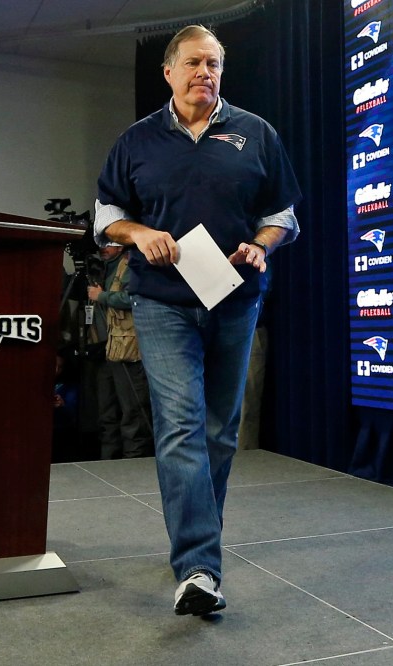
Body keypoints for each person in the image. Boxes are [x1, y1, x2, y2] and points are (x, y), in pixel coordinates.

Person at [94, 24, 301, 616]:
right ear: (168, 72)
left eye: (212, 64)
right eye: (192, 63)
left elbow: (283, 211)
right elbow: (106, 210)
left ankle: (194, 543)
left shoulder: (255, 133)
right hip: (161, 301)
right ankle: (199, 567)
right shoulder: (135, 141)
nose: (203, 73)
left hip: (235, 298)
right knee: (182, 427)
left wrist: (263, 244)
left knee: (217, 432)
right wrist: (138, 232)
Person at [87, 244, 154, 459]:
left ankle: (132, 467)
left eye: (110, 242)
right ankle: (108, 464)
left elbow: (137, 298)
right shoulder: (102, 267)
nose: (103, 247)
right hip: (106, 349)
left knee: (132, 414)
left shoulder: (133, 262)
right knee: (107, 414)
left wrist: (102, 296)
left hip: (129, 350)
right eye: (101, 242)